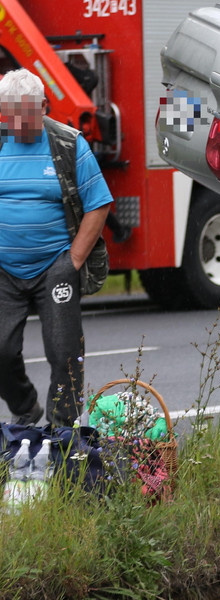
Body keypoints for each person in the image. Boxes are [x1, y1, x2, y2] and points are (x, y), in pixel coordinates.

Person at [0, 69, 113, 427]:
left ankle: (63, 432)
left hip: (55, 268)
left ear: (44, 106)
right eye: (10, 114)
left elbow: (99, 203)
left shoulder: (68, 144)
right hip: (5, 271)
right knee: (1, 351)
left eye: (26, 113)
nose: (18, 123)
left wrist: (73, 260)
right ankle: (25, 407)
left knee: (64, 353)